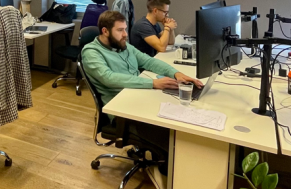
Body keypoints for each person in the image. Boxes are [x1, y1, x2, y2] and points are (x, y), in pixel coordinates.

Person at [81, 10, 202, 178]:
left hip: (137, 95)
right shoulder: (91, 52)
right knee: (169, 126)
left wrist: (177, 74)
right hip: (121, 110)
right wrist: (152, 83)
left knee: (178, 111)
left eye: (125, 29)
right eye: (120, 30)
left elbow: (149, 61)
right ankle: (169, 168)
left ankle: (169, 161)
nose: (125, 34)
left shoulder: (123, 46)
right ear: (105, 31)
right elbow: (108, 78)